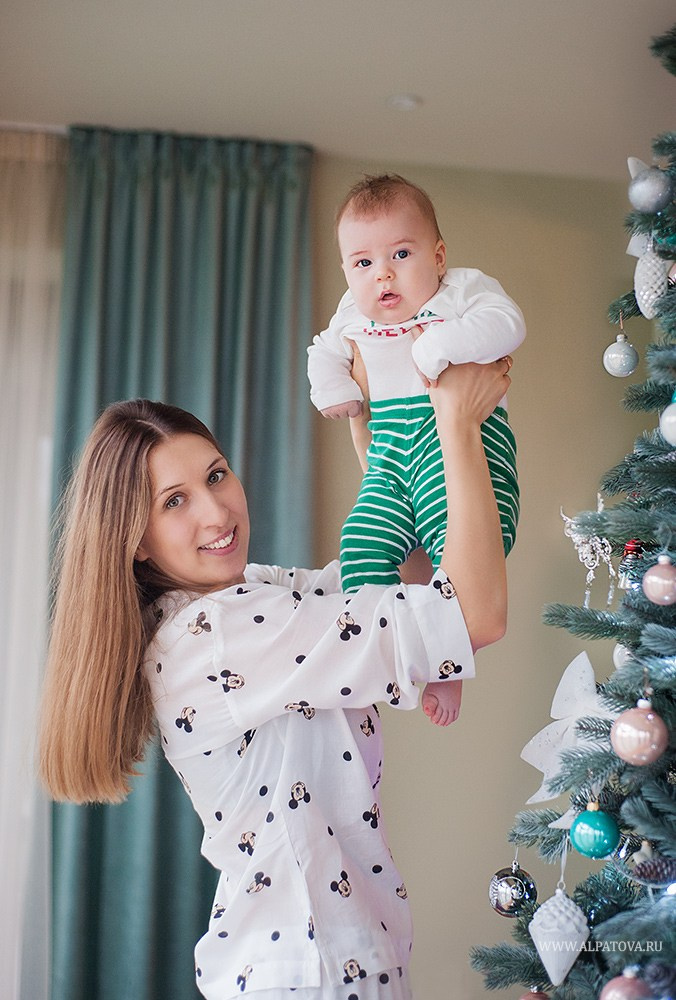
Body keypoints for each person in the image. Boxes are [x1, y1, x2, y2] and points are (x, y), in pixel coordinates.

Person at [39, 359, 509, 1000]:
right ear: (137, 540)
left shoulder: (253, 597)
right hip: (313, 972)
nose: (216, 512)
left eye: (215, 475)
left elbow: (395, 585)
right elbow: (471, 615)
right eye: (174, 502)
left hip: (324, 960)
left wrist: (394, 465)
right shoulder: (220, 634)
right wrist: (456, 427)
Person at [307, 173, 525, 727]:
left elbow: (507, 324)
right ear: (347, 273)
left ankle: (449, 665)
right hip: (388, 456)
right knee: (360, 540)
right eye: (362, 263)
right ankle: (379, 653)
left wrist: (439, 345)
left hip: (455, 443)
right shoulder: (351, 317)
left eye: (400, 254)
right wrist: (332, 388)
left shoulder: (462, 292)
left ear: (438, 255)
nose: (382, 273)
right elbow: (323, 352)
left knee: (453, 539)